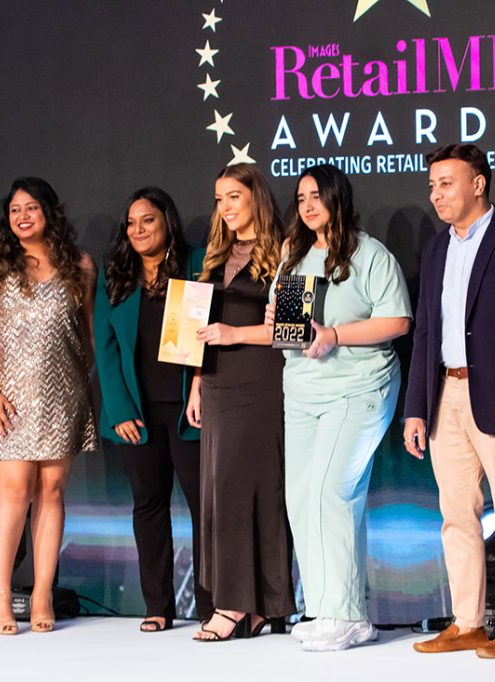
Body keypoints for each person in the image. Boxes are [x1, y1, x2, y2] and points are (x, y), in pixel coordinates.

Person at [404, 144, 495, 658]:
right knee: (456, 515)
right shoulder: (436, 249)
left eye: (446, 183)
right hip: (445, 393)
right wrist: (416, 408)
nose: (436, 194)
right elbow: (426, 331)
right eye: (432, 185)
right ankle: (467, 622)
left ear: (478, 184)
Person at [265, 164, 411, 652]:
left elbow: (397, 321)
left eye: (316, 196)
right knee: (302, 497)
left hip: (359, 387)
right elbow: (288, 336)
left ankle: (349, 615)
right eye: (300, 197)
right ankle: (325, 608)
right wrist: (279, 319)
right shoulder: (293, 254)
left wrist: (334, 335)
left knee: (333, 491)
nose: (307, 205)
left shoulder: (370, 254)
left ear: (337, 199)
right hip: (304, 391)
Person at [0, 177, 97, 635]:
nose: (22, 216)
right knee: (15, 491)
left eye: (32, 208)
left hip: (63, 394)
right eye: (15, 209)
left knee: (53, 491)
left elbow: (91, 337)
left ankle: (42, 593)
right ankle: (2, 592)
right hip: (9, 398)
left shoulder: (80, 266)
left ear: (50, 213)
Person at [93, 187, 213, 632]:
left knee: (205, 509)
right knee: (148, 505)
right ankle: (158, 606)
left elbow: (197, 342)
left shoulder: (195, 263)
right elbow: (105, 349)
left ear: (167, 222)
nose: (139, 229)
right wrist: (120, 410)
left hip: (188, 411)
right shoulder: (116, 277)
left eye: (148, 220)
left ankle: (211, 606)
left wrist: (199, 385)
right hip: (137, 416)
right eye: (132, 222)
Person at [186, 164, 294, 641]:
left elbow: (292, 329)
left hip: (262, 384)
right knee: (221, 493)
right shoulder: (214, 255)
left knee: (258, 492)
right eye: (218, 198)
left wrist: (235, 334)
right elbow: (195, 329)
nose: (225, 207)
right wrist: (194, 383)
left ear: (256, 199)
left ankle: (246, 605)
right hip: (215, 383)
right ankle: (243, 605)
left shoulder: (289, 250)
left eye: (233, 196)